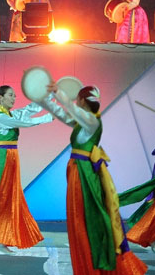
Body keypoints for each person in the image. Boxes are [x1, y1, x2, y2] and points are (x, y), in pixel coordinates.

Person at [40, 85, 146, 274]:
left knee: (86, 216)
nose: (75, 103)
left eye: (77, 100)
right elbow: (63, 114)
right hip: (77, 172)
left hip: (85, 174)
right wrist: (46, 100)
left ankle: (93, 262)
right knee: (80, 216)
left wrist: (58, 93)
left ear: (81, 101)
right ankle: (87, 260)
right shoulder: (84, 121)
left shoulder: (92, 121)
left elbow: (70, 109)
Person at [0, 85, 51, 253]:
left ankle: (0, 239)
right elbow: (24, 122)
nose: (14, 98)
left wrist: (49, 98)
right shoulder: (1, 117)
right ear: (0, 98)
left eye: (15, 95)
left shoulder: (10, 114)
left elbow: (29, 110)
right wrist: (46, 118)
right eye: (10, 95)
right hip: (1, 160)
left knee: (7, 199)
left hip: (11, 159)